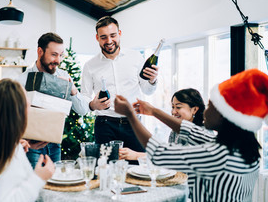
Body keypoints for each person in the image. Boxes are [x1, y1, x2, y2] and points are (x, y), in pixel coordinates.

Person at [114, 68, 268, 202]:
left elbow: (159, 152)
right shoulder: (241, 146)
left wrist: (130, 115)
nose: (205, 112)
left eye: (210, 106)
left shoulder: (218, 155)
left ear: (224, 115)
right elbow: (191, 131)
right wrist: (153, 111)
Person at [80, 16, 159, 156]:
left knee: (138, 166)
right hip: (104, 125)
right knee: (107, 168)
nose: (109, 41)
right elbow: (84, 97)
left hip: (133, 123)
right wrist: (93, 105)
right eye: (103, 37)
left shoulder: (136, 58)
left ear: (120, 34)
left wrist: (152, 81)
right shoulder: (90, 65)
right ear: (97, 38)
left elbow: (147, 90)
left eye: (113, 35)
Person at [17, 32, 88, 168]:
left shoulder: (64, 77)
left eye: (61, 55)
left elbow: (83, 110)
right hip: (31, 146)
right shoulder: (22, 80)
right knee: (35, 185)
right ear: (40, 52)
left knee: (55, 185)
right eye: (54, 54)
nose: (58, 60)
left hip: (55, 145)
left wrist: (72, 88)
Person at [119, 88, 207, 160]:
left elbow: (174, 159)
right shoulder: (174, 132)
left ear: (194, 110)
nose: (173, 112)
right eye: (172, 107)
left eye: (178, 107)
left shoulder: (202, 134)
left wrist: (137, 155)